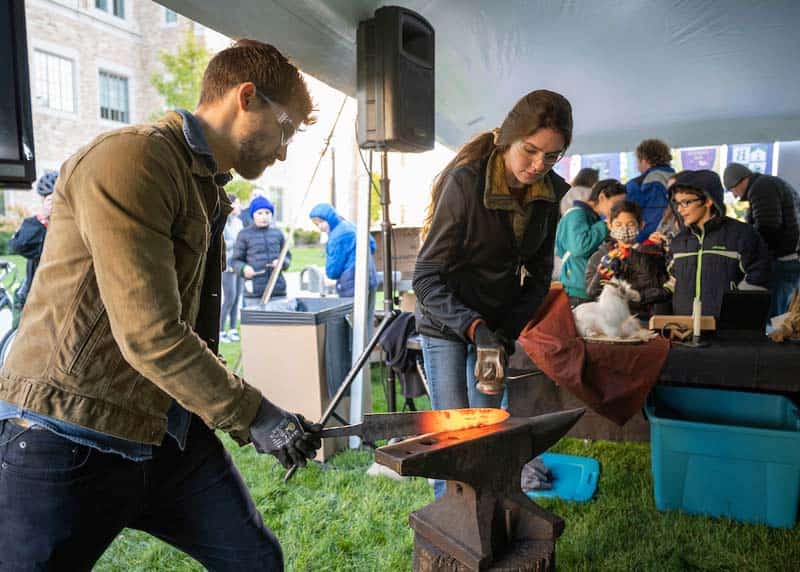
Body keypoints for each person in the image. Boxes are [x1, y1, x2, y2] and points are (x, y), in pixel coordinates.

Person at [0, 39, 322, 570]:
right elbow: (151, 333)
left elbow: (187, 325)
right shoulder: (135, 158)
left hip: (166, 429)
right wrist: (257, 413)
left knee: (255, 561)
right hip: (66, 429)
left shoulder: (206, 188)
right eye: (285, 128)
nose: (283, 150)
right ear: (246, 96)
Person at [413, 89, 573, 499]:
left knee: (487, 422)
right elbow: (426, 277)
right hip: (447, 320)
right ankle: (448, 522)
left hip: (495, 325)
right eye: (531, 151)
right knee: (450, 433)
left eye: (552, 157)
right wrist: (474, 327)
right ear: (507, 139)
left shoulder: (549, 193)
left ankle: (488, 512)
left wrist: (503, 331)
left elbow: (538, 277)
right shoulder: (465, 183)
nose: (539, 166)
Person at [664, 170, 770, 318]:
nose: (679, 209)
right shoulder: (678, 242)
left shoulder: (742, 235)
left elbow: (759, 276)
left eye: (686, 202)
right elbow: (672, 281)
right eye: (677, 203)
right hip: (683, 331)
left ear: (708, 200)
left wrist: (732, 312)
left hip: (728, 335)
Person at [723, 162, 800, 317]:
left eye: (732, 190)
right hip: (791, 257)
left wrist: (752, 250)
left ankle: (773, 339)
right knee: (784, 311)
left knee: (775, 314)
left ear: (739, 181)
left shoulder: (761, 188)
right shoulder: (770, 183)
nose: (735, 195)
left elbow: (767, 226)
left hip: (782, 259)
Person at [585, 200, 669, 318]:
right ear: (609, 225)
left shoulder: (651, 253)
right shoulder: (600, 256)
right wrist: (602, 274)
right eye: (618, 224)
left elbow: (658, 288)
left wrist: (633, 254)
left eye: (630, 224)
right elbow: (591, 293)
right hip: (610, 318)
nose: (624, 229)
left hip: (642, 318)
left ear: (641, 225)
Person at [555, 179, 626, 305]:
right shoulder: (576, 215)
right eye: (616, 203)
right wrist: (604, 225)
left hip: (589, 287)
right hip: (577, 291)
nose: (619, 209)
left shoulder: (591, 217)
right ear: (602, 197)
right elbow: (579, 247)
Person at [309, 202, 378, 308]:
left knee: (353, 321)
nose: (320, 227)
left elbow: (333, 271)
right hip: (370, 277)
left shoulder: (337, 236)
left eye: (321, 222)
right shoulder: (351, 225)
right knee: (367, 319)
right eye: (316, 224)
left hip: (351, 284)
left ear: (330, 218)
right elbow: (373, 245)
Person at [8, 170, 57, 309]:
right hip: (37, 293)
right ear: (43, 201)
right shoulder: (34, 224)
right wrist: (44, 217)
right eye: (50, 200)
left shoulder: (70, 224)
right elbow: (17, 246)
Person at [233, 196, 291, 305]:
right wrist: (243, 268)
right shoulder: (244, 234)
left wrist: (282, 262)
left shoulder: (278, 233)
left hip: (277, 291)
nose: (264, 216)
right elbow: (236, 261)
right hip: (255, 292)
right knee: (256, 322)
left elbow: (287, 257)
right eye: (259, 213)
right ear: (253, 215)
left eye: (267, 213)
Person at [626, 138, 675, 242]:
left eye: (637, 161)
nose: (637, 166)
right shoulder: (680, 180)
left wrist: (638, 243)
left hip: (647, 243)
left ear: (644, 160)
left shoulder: (637, 185)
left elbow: (623, 214)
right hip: (676, 240)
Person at [220, 192, 244, 343]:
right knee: (230, 297)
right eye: (237, 203)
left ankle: (233, 329)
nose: (239, 206)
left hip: (238, 264)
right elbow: (221, 244)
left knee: (237, 299)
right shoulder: (222, 222)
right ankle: (221, 330)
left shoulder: (238, 222)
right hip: (227, 266)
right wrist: (235, 243)